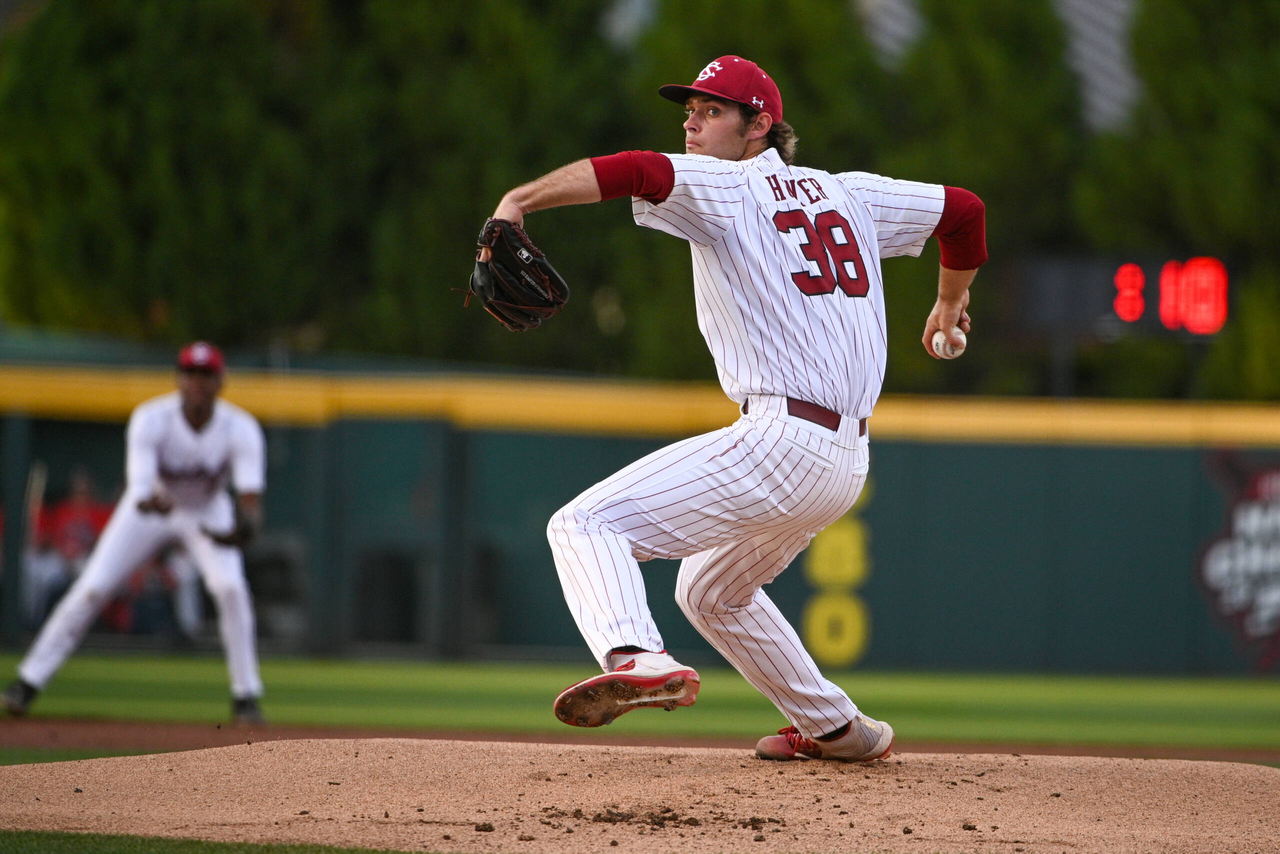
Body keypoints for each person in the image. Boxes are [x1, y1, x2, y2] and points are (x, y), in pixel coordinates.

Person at [485, 56, 986, 762]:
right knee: (711, 591)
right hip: (844, 463)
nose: (691, 122)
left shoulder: (726, 184)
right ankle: (838, 729)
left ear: (760, 127)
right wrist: (951, 300)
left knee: (584, 524)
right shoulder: (851, 195)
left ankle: (637, 657)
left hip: (782, 440)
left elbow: (634, 170)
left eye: (712, 110)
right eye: (688, 110)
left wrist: (519, 200)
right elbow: (964, 212)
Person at [2, 342, 269, 724]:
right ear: (179, 378)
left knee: (230, 587)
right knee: (93, 585)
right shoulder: (152, 417)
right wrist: (148, 501)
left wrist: (245, 528)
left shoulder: (240, 427)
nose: (196, 382)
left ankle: (246, 697)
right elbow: (141, 487)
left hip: (207, 509)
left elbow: (250, 500)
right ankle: (28, 682)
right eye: (190, 373)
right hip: (150, 507)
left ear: (219, 381)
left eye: (205, 375)